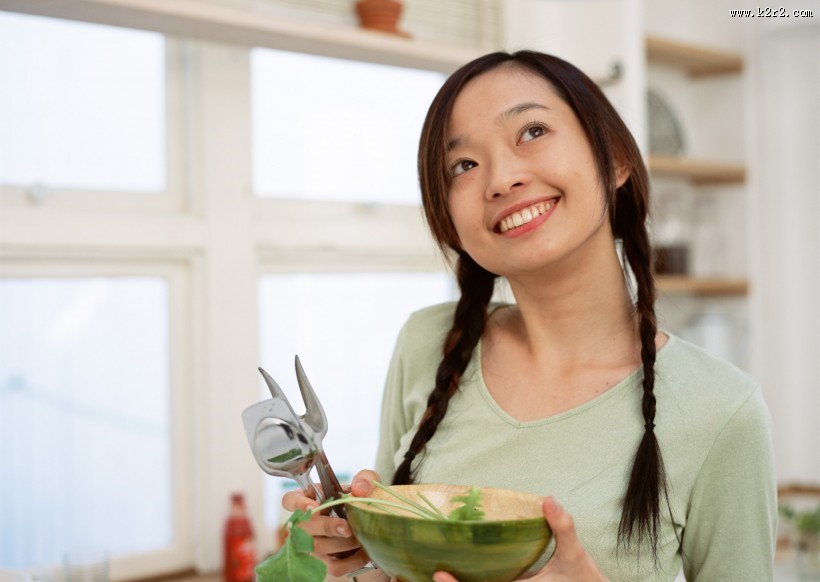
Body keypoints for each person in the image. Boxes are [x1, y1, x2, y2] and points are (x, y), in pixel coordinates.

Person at [282, 50, 777, 581]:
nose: (501, 178)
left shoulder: (721, 411)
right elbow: (385, 568)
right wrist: (350, 559)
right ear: (449, 219)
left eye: (532, 131)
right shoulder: (428, 344)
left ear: (614, 159)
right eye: (463, 165)